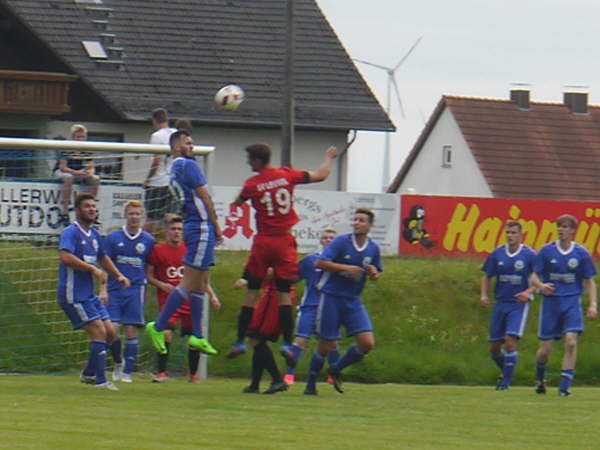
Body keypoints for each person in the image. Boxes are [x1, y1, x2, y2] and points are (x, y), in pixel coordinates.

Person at [228, 143, 338, 366]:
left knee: (252, 292)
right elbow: (321, 175)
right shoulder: (287, 175)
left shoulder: (252, 184)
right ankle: (288, 344)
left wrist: (241, 199)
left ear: (258, 161)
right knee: (284, 293)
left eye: (250, 159)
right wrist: (329, 157)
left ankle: (239, 341)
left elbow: (237, 202)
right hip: (284, 242)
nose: (248, 163)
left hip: (263, 241)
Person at [146, 130, 222, 357]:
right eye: (188, 142)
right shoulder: (187, 165)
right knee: (189, 282)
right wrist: (216, 224)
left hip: (196, 226)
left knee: (201, 282)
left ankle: (198, 336)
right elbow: (204, 196)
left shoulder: (174, 167)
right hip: (199, 226)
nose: (192, 146)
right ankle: (158, 326)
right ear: (177, 145)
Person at [304, 208, 382, 396]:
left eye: (362, 220)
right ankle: (311, 384)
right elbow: (320, 263)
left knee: (367, 343)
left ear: (370, 225)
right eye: (355, 219)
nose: (356, 223)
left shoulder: (373, 248)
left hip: (353, 300)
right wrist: (345, 268)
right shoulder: (341, 242)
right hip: (331, 297)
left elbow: (377, 272)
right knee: (326, 344)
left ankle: (336, 368)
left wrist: (374, 273)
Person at [57, 193, 130, 391]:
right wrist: (92, 269)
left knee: (111, 331)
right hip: (73, 294)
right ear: (78, 210)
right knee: (99, 331)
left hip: (89, 295)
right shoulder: (71, 232)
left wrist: (119, 275)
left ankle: (89, 372)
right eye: (87, 206)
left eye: (93, 206)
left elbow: (103, 257)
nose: (91, 209)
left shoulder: (95, 235)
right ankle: (100, 380)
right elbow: (65, 257)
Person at [146, 215, 221, 383]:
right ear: (166, 231)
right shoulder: (158, 250)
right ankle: (162, 372)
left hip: (191, 299)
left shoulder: (190, 250)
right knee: (166, 334)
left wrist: (212, 295)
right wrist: (161, 284)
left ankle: (193, 374)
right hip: (169, 298)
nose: (177, 232)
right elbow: (149, 275)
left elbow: (202, 279)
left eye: (180, 229)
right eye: (173, 229)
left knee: (193, 338)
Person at [531, 214, 597, 396]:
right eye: (559, 226)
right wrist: (541, 286)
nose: (561, 230)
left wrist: (592, 304)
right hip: (551, 304)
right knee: (545, 350)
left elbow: (589, 281)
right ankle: (539, 379)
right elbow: (534, 275)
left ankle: (564, 388)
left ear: (573, 231)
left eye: (566, 227)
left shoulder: (581, 254)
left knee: (570, 342)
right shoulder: (546, 251)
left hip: (571, 302)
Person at [480, 221, 536, 390]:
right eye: (508, 232)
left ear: (521, 235)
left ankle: (505, 384)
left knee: (510, 342)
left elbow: (540, 278)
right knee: (494, 348)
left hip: (518, 304)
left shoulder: (530, 255)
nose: (510, 236)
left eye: (513, 233)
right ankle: (507, 371)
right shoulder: (497, 254)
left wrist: (529, 292)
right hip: (500, 302)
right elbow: (487, 275)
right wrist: (484, 294)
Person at [103, 200, 155, 383]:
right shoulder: (113, 237)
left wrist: (147, 288)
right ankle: (118, 362)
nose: (134, 217)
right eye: (131, 213)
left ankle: (127, 372)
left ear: (142, 216)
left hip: (136, 289)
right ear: (125, 215)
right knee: (112, 330)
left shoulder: (148, 240)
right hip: (115, 289)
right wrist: (103, 289)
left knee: (132, 329)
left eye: (137, 214)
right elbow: (104, 263)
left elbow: (149, 267)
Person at [283, 227, 339, 385]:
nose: (328, 240)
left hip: (330, 307)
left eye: (331, 238)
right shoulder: (310, 260)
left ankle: (333, 374)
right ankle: (289, 375)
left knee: (332, 343)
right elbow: (294, 277)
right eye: (326, 237)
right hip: (310, 306)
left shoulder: (341, 263)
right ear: (321, 241)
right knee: (301, 340)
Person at [235, 269, 293, 395]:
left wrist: (248, 277)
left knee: (255, 337)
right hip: (276, 294)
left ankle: (277, 379)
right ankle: (255, 385)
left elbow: (272, 271)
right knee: (257, 339)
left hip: (275, 295)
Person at [54, 125, 100, 225]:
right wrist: (78, 173)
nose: (81, 139)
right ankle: (64, 212)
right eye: (78, 137)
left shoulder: (87, 149)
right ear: (73, 137)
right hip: (63, 171)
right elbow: (62, 167)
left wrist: (89, 172)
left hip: (79, 172)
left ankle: (91, 210)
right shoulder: (66, 147)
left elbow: (91, 166)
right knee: (68, 178)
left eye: (83, 137)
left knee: (96, 179)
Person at [143, 108, 178, 233]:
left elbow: (156, 160)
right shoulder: (176, 133)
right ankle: (171, 244)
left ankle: (146, 245)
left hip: (157, 182)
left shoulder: (156, 136)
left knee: (151, 217)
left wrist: (147, 179)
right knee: (170, 216)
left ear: (154, 121)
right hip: (172, 182)